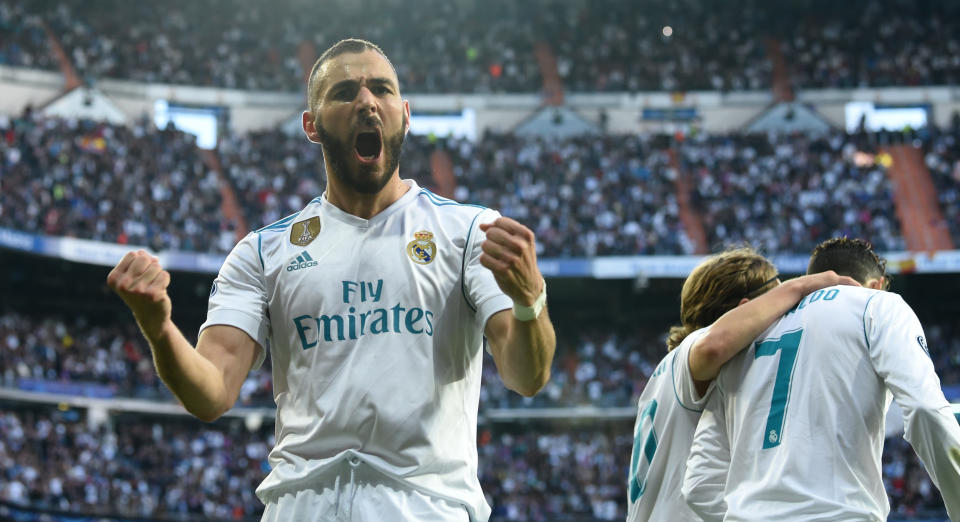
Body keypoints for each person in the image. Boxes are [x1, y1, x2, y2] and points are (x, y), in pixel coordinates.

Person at [106, 38, 556, 522]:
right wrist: (159, 329)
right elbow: (211, 391)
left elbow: (526, 376)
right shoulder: (263, 252)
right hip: (301, 508)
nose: (366, 101)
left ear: (404, 114)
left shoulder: (469, 233)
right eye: (345, 92)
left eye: (381, 89)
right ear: (311, 125)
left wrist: (529, 303)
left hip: (425, 507)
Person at [683, 238, 960, 521]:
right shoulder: (879, 305)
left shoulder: (749, 331)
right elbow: (926, 411)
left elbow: (699, 484)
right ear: (876, 285)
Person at [627, 246, 858, 521]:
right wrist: (799, 286)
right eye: (779, 308)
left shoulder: (667, 373)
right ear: (746, 311)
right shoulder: (694, 353)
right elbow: (715, 346)